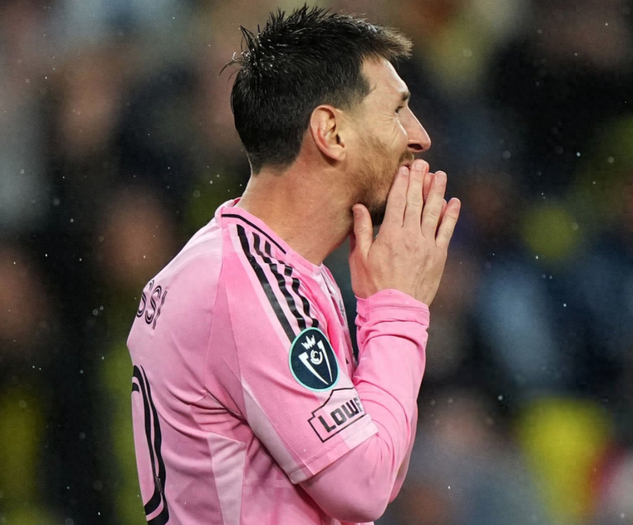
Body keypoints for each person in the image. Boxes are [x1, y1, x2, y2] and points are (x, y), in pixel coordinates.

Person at [127, 6, 460, 525]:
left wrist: (382, 310)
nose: (419, 137)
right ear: (331, 131)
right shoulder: (244, 287)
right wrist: (399, 312)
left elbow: (381, 459)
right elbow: (364, 487)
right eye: (398, 110)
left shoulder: (274, 269)